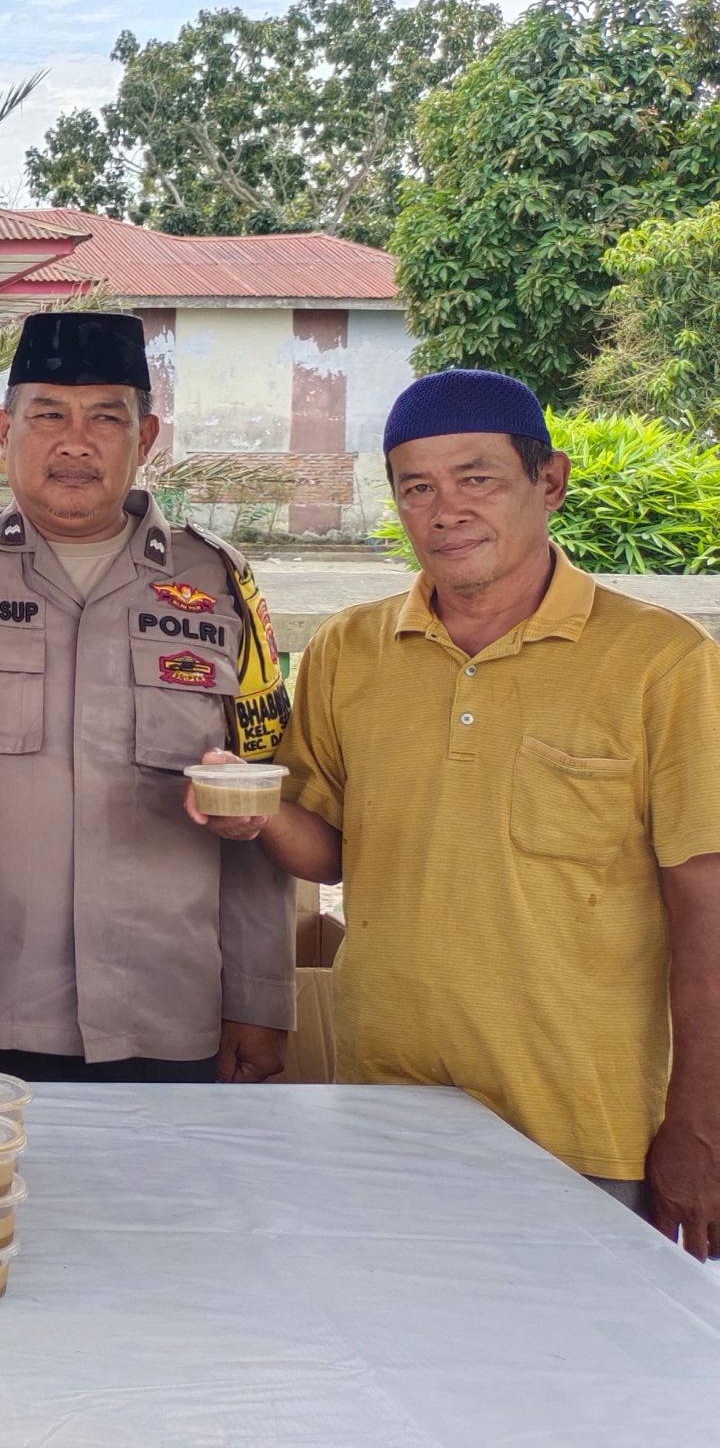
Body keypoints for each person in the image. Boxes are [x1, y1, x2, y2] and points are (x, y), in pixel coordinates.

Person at [195, 369, 719, 1257]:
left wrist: (700, 1121)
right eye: (418, 488)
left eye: (477, 478)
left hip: (579, 1131)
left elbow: (707, 910)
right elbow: (332, 850)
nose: (447, 511)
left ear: (549, 481)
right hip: (383, 1112)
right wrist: (256, 812)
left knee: (569, 1348)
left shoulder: (660, 662)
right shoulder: (350, 648)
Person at [0, 310, 296, 1084]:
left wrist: (259, 992)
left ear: (146, 438)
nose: (75, 442)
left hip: (167, 1015)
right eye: (48, 415)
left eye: (106, 417)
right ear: (5, 431)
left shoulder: (218, 583)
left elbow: (258, 796)